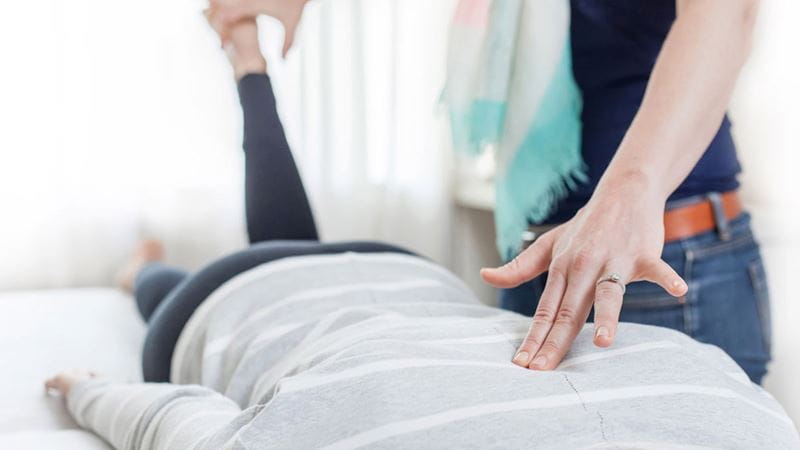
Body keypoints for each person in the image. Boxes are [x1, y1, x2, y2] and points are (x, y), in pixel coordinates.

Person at [44, 10, 799, 450]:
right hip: (451, 289)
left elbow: (724, 12)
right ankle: (236, 92)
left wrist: (90, 393)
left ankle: (142, 267)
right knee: (265, 278)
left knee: (205, 282)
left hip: (386, 289)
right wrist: (91, 393)